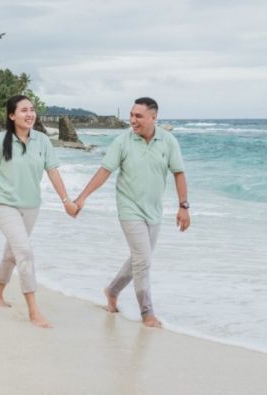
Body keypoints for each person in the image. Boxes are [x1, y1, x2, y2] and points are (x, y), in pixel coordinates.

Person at [74, 97, 190, 328]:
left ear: (153, 117)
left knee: (139, 259)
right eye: (132, 115)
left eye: (138, 116)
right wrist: (82, 197)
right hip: (129, 208)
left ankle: (112, 290)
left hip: (154, 211)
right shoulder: (122, 141)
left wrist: (183, 206)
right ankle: (147, 312)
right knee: (143, 260)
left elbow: (178, 173)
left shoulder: (168, 141)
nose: (132, 120)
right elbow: (104, 171)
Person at [0, 94, 79, 328]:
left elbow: (53, 171)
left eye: (32, 110)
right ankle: (33, 310)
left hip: (31, 205)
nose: (30, 114)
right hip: (4, 204)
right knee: (24, 252)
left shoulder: (42, 141)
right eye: (23, 110)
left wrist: (66, 201)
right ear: (12, 116)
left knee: (12, 253)